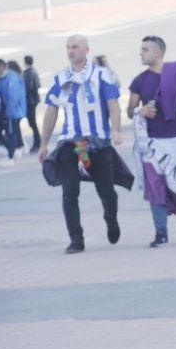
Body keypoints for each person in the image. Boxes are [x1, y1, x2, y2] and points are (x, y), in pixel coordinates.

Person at [38, 35, 127, 253]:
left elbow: (113, 104)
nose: (71, 51)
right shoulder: (60, 78)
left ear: (87, 49)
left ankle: (111, 220)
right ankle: (76, 239)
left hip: (97, 142)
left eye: (75, 47)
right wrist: (43, 143)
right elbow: (51, 111)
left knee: (107, 192)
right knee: (69, 192)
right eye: (68, 47)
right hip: (70, 142)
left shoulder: (101, 74)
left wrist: (115, 129)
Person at [127, 35, 176, 248]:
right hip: (149, 141)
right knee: (154, 186)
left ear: (158, 52)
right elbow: (130, 110)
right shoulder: (139, 80)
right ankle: (161, 232)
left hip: (175, 137)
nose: (141, 53)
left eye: (145, 49)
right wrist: (139, 110)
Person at [0, 60, 27, 165]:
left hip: (13, 111)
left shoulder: (11, 78)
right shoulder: (6, 78)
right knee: (13, 131)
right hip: (13, 111)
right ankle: (17, 148)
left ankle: (12, 155)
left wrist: (9, 111)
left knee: (11, 132)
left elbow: (13, 97)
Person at [23, 56, 42, 153]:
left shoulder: (28, 73)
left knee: (32, 123)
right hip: (34, 100)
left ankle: (37, 143)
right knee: (32, 123)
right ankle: (37, 142)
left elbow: (28, 87)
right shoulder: (34, 71)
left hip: (30, 101)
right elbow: (38, 85)